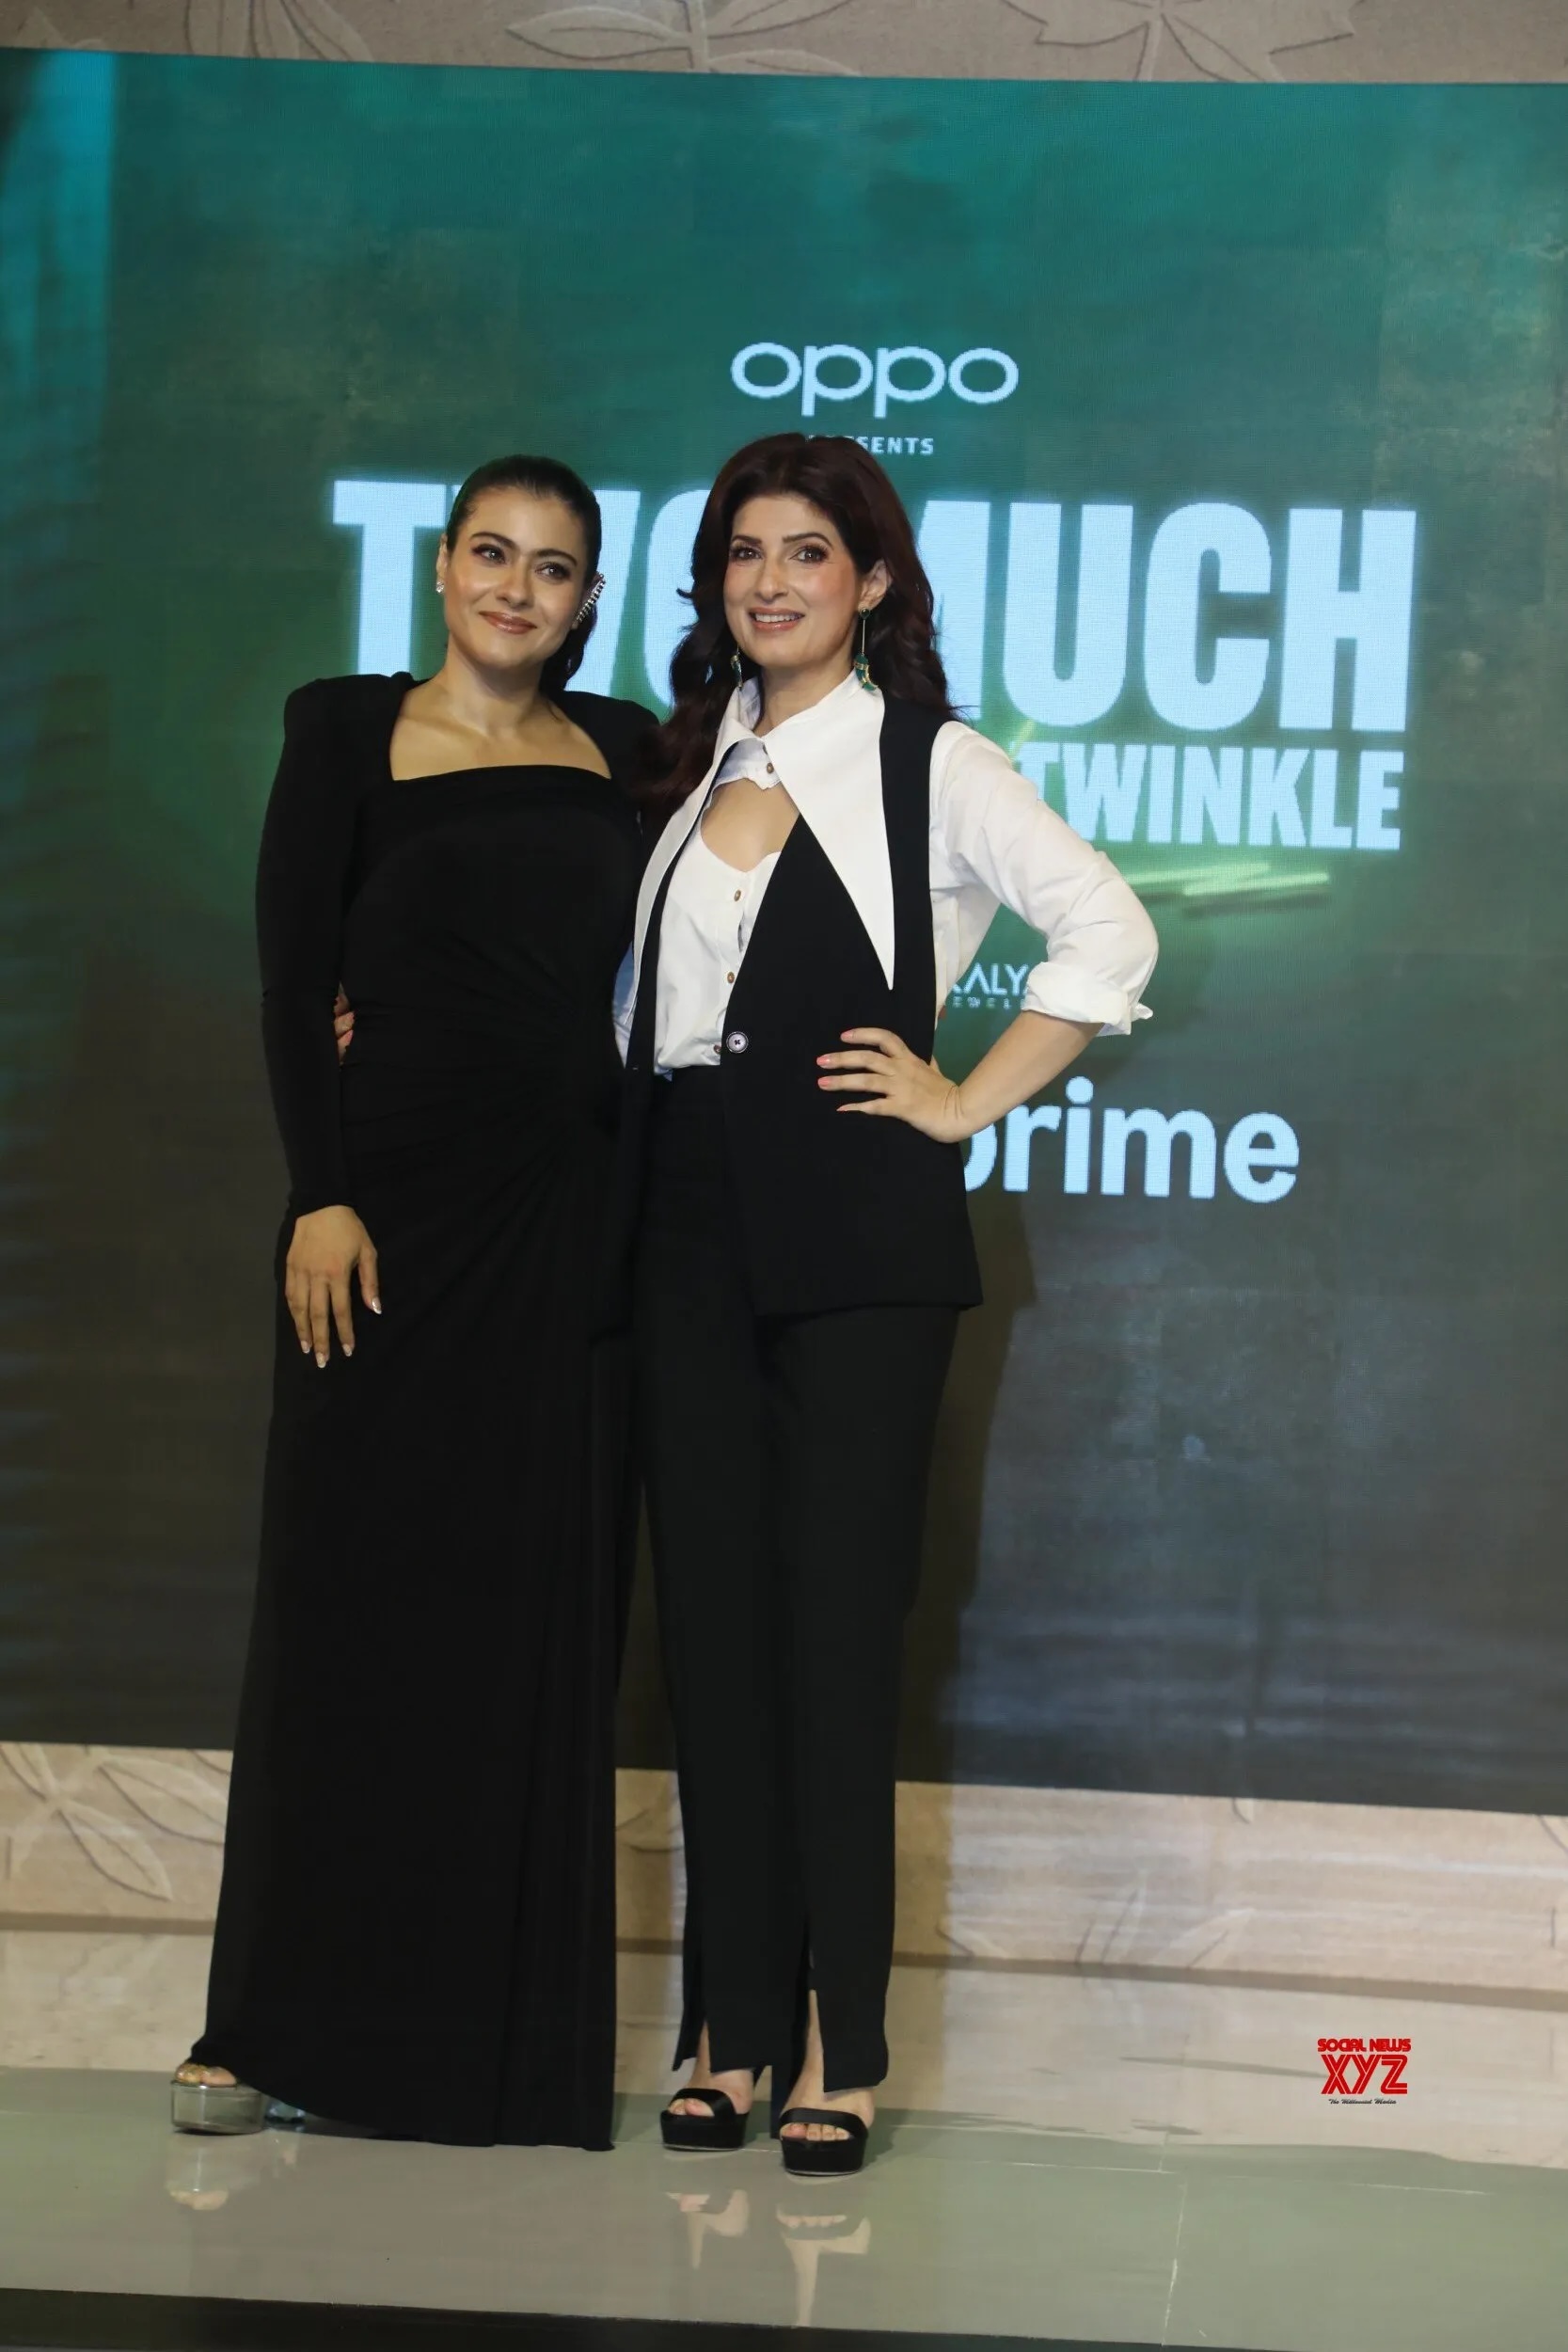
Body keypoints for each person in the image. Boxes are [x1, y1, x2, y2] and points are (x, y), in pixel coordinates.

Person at [613, 433, 1157, 2177]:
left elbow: (1110, 933)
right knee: (713, 1642)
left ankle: (841, 2047)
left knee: (837, 1642)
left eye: (807, 553)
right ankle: (727, 2031)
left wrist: (964, 1097)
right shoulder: (682, 761)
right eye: (743, 552)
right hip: (679, 1235)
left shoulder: (931, 759)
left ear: (873, 583)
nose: (771, 581)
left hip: (861, 1244)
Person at [172, 454, 654, 2150]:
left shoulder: (634, 752)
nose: (519, 588)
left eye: (554, 567)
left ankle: (497, 2052)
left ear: (589, 600)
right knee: (345, 1603)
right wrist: (321, 1190)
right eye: (492, 554)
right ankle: (263, 2027)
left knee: (524, 1618)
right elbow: (290, 978)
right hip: (382, 1216)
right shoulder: (342, 730)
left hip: (565, 1225)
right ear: (442, 568)